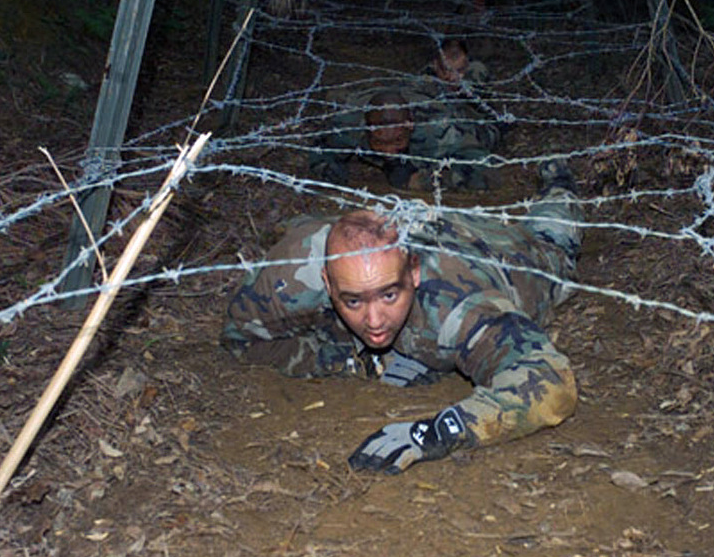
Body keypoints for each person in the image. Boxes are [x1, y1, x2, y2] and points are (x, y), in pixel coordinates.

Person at [221, 162, 582, 474]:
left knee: (554, 232)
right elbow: (240, 340)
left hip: (514, 254)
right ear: (327, 283)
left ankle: (559, 178)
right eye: (352, 301)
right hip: (425, 227)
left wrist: (438, 433)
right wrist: (354, 360)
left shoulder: (455, 308)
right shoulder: (292, 273)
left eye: (389, 295)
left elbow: (550, 383)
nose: (375, 321)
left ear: (414, 273)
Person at [309, 85, 500, 191]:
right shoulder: (348, 127)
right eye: (379, 143)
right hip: (387, 95)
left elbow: (486, 171)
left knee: (491, 133)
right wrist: (328, 170)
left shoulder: (439, 131)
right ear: (366, 129)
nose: (389, 151)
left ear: (410, 126)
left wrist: (425, 180)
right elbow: (320, 147)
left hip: (451, 111)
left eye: (398, 141)